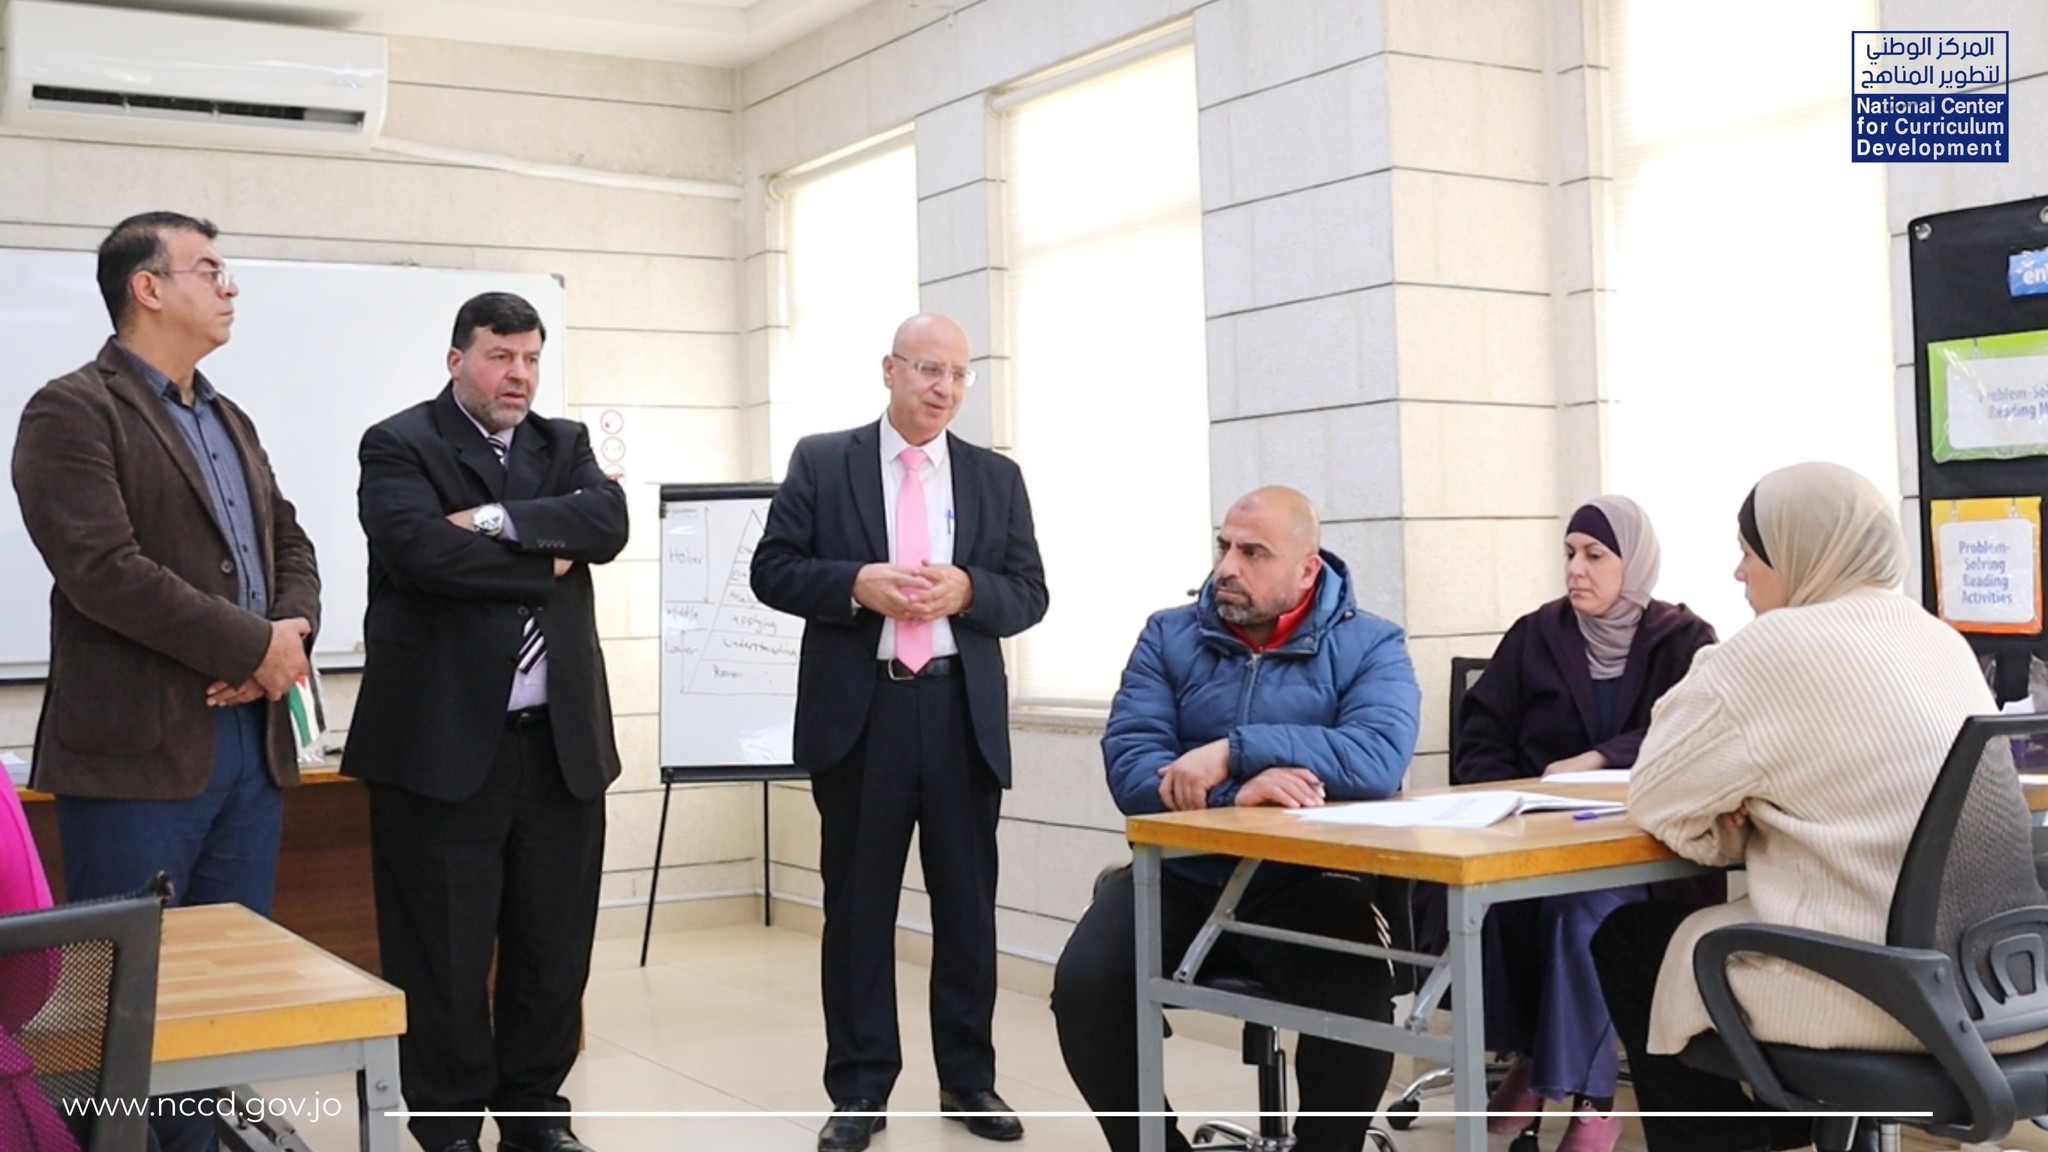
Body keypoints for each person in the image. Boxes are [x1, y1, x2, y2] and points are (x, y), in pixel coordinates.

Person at [11, 211, 321, 1152]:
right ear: (147, 288)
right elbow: (103, 570)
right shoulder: (72, 410)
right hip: (137, 755)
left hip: (251, 747)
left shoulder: (229, 416)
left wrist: (289, 637)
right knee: (122, 1010)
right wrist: (250, 647)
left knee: (221, 995)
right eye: (209, 270)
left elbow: (291, 543)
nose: (230, 288)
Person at [1590, 462, 1997, 1152]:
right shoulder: (1940, 638)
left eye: (1751, 553)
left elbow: (1655, 791)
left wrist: (1729, 827)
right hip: (1982, 981)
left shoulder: (1772, 646)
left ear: (1800, 554)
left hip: (1864, 988)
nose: (1738, 574)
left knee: (1630, 942)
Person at [751, 313, 1048, 1152]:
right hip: (863, 716)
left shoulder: (995, 477)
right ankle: (859, 1089)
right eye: (927, 369)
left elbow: (1029, 592)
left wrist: (969, 592)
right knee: (858, 911)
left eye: (958, 374)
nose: (943, 388)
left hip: (958, 715)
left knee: (966, 910)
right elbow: (771, 570)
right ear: (890, 370)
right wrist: (856, 584)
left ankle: (969, 1079)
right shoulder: (824, 461)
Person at [1050, 486, 1421, 1152]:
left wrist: (1232, 751)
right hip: (1180, 874)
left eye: (1253, 553)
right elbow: (1133, 770)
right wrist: (1235, 796)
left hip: (1308, 883)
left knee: (1358, 1007)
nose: (1226, 566)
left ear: (1306, 570)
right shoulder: (1168, 635)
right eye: (1224, 546)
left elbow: (1375, 758)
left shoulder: (1371, 644)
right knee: (1087, 984)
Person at [343, 292, 627, 1152]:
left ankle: (535, 1112)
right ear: (457, 360)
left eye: (532, 358)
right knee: (443, 954)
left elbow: (607, 522)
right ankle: (449, 1124)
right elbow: (421, 553)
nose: (519, 375)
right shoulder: (399, 443)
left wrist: (497, 523)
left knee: (552, 949)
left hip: (560, 748)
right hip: (441, 749)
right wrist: (549, 558)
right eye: (501, 356)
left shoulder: (563, 442)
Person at [1451, 496, 1716, 1150]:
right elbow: (1480, 738)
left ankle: (1590, 1101)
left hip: (1649, 851)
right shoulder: (1535, 635)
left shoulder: (1685, 640)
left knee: (1583, 914)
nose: (1575, 569)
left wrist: (1599, 758)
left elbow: (1695, 731)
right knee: (1507, 907)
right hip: (1541, 840)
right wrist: (1511, 799)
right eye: (1569, 553)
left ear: (1635, 561)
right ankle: (1541, 1064)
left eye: (1595, 555)